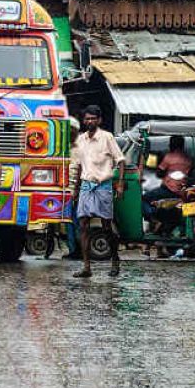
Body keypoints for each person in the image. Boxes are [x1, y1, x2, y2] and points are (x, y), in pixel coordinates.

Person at [71, 105, 125, 278]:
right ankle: (86, 267)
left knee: (106, 227)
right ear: (83, 120)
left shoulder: (107, 137)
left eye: (93, 118)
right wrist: (75, 189)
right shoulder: (80, 140)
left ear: (99, 120)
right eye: (87, 118)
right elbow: (79, 165)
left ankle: (115, 259)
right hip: (86, 186)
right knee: (84, 225)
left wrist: (121, 183)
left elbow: (121, 160)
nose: (90, 121)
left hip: (103, 186)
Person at [142, 135, 191, 234]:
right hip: (181, 191)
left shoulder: (169, 157)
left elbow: (159, 173)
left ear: (172, 145)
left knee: (143, 199)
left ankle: (153, 219)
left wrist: (156, 163)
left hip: (167, 189)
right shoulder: (187, 159)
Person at [62, 117, 82, 260]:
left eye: (72, 130)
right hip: (64, 190)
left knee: (73, 222)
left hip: (76, 189)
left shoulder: (81, 147)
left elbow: (82, 170)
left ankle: (77, 250)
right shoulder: (61, 147)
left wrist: (76, 190)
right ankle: (74, 249)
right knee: (69, 221)